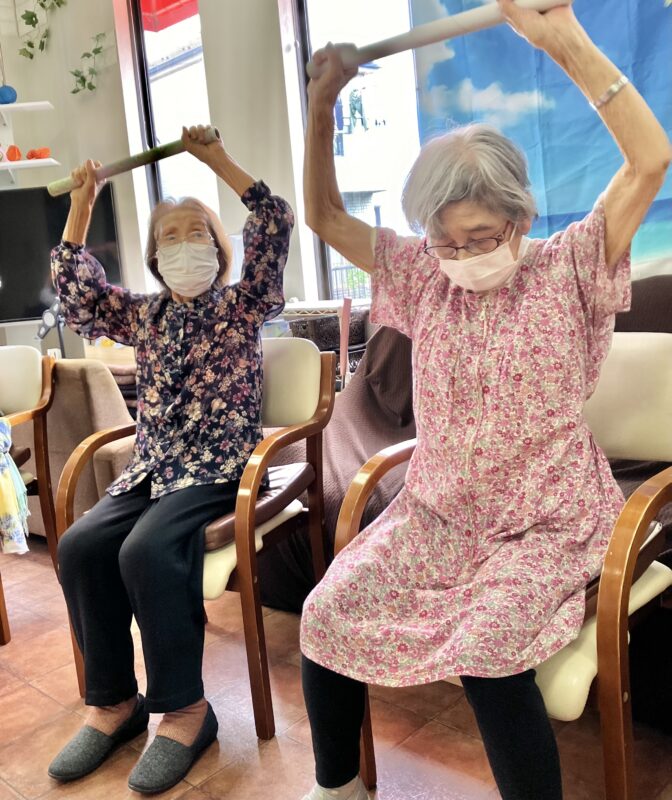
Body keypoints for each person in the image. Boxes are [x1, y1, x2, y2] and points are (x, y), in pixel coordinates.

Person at [299, 1, 671, 798]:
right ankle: (338, 788)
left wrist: (563, 39)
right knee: (324, 614)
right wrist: (323, 103)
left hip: (545, 523)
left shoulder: (569, 268)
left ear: (520, 218)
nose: (461, 255)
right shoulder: (422, 278)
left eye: (480, 238)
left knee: (488, 653)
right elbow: (324, 216)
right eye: (445, 240)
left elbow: (650, 161)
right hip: (438, 516)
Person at [47, 125, 294, 794]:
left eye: (197, 233)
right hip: (153, 467)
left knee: (147, 552)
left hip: (220, 467)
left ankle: (186, 712)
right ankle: (113, 704)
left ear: (218, 246)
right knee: (79, 546)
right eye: (170, 237)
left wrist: (218, 160)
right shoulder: (144, 316)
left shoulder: (245, 304)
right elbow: (78, 296)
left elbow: (274, 221)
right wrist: (82, 204)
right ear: (155, 257)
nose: (185, 245)